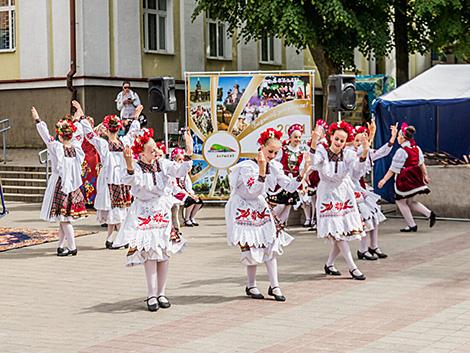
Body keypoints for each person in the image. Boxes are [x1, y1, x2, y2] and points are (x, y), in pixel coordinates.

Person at [113, 130, 193, 312]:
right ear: (141, 153)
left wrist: (188, 151)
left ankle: (162, 293)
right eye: (151, 150)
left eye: (156, 149)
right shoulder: (137, 166)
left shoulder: (162, 164)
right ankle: (151, 294)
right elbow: (132, 181)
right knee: (150, 252)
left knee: (164, 252)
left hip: (161, 210)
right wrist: (128, 162)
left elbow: (180, 170)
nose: (156, 152)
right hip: (143, 211)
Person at [226, 128, 310, 302]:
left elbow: (288, 187)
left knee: (270, 243)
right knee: (251, 246)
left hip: (259, 206)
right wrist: (262, 171)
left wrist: (301, 175)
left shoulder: (275, 167)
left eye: (276, 152)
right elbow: (253, 191)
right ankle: (251, 285)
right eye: (270, 151)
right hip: (243, 206)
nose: (272, 155)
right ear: (261, 147)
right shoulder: (247, 167)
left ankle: (275, 285)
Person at [309, 121, 369, 280]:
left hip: (343, 193)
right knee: (338, 233)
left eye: (342, 140)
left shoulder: (348, 154)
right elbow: (314, 164)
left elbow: (357, 169)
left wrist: (364, 153)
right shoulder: (322, 151)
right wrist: (314, 141)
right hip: (327, 193)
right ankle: (352, 267)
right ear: (330, 137)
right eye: (336, 139)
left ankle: (329, 264)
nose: (339, 143)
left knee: (339, 232)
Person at [79, 102, 143, 249]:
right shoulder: (125, 141)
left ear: (107, 129)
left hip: (110, 178)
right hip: (122, 178)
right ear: (119, 128)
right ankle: (109, 238)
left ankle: (121, 239)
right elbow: (133, 132)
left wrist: (82, 116)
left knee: (115, 210)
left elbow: (89, 135)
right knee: (117, 209)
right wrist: (136, 117)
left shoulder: (103, 144)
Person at [32, 106, 87, 256]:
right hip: (72, 186)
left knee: (65, 219)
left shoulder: (56, 147)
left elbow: (46, 136)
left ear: (60, 136)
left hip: (61, 185)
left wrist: (38, 119)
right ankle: (60, 245)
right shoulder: (77, 148)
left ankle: (73, 247)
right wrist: (78, 119)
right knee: (63, 218)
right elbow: (79, 135)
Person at [348, 124, 397, 260]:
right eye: (357, 140)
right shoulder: (350, 153)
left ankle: (373, 246)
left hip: (361, 188)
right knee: (365, 219)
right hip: (351, 190)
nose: (359, 143)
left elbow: (381, 152)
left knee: (374, 217)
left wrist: (392, 138)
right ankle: (362, 249)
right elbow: (361, 155)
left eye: (361, 140)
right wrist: (369, 138)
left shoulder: (365, 151)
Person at [378, 123, 436, 232]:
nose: (398, 139)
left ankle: (412, 225)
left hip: (405, 179)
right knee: (409, 202)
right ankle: (429, 214)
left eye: (399, 137)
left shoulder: (401, 151)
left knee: (400, 201)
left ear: (402, 138)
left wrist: (384, 180)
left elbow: (393, 168)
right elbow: (421, 163)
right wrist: (425, 175)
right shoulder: (416, 148)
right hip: (415, 177)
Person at [268, 124, 305, 225]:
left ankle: (280, 225)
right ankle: (269, 222)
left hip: (294, 181)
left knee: (288, 205)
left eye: (299, 137)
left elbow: (302, 169)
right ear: (290, 137)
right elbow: (274, 162)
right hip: (282, 181)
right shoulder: (283, 150)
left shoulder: (301, 153)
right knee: (280, 204)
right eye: (295, 137)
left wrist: (303, 184)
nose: (297, 139)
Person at [171, 147, 204, 227]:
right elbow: (174, 187)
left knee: (199, 201)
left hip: (184, 192)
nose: (181, 161)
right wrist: (187, 194)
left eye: (182, 160)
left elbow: (188, 184)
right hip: (176, 193)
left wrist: (191, 193)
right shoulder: (172, 170)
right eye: (179, 159)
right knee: (190, 200)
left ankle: (191, 217)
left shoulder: (184, 172)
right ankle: (186, 219)